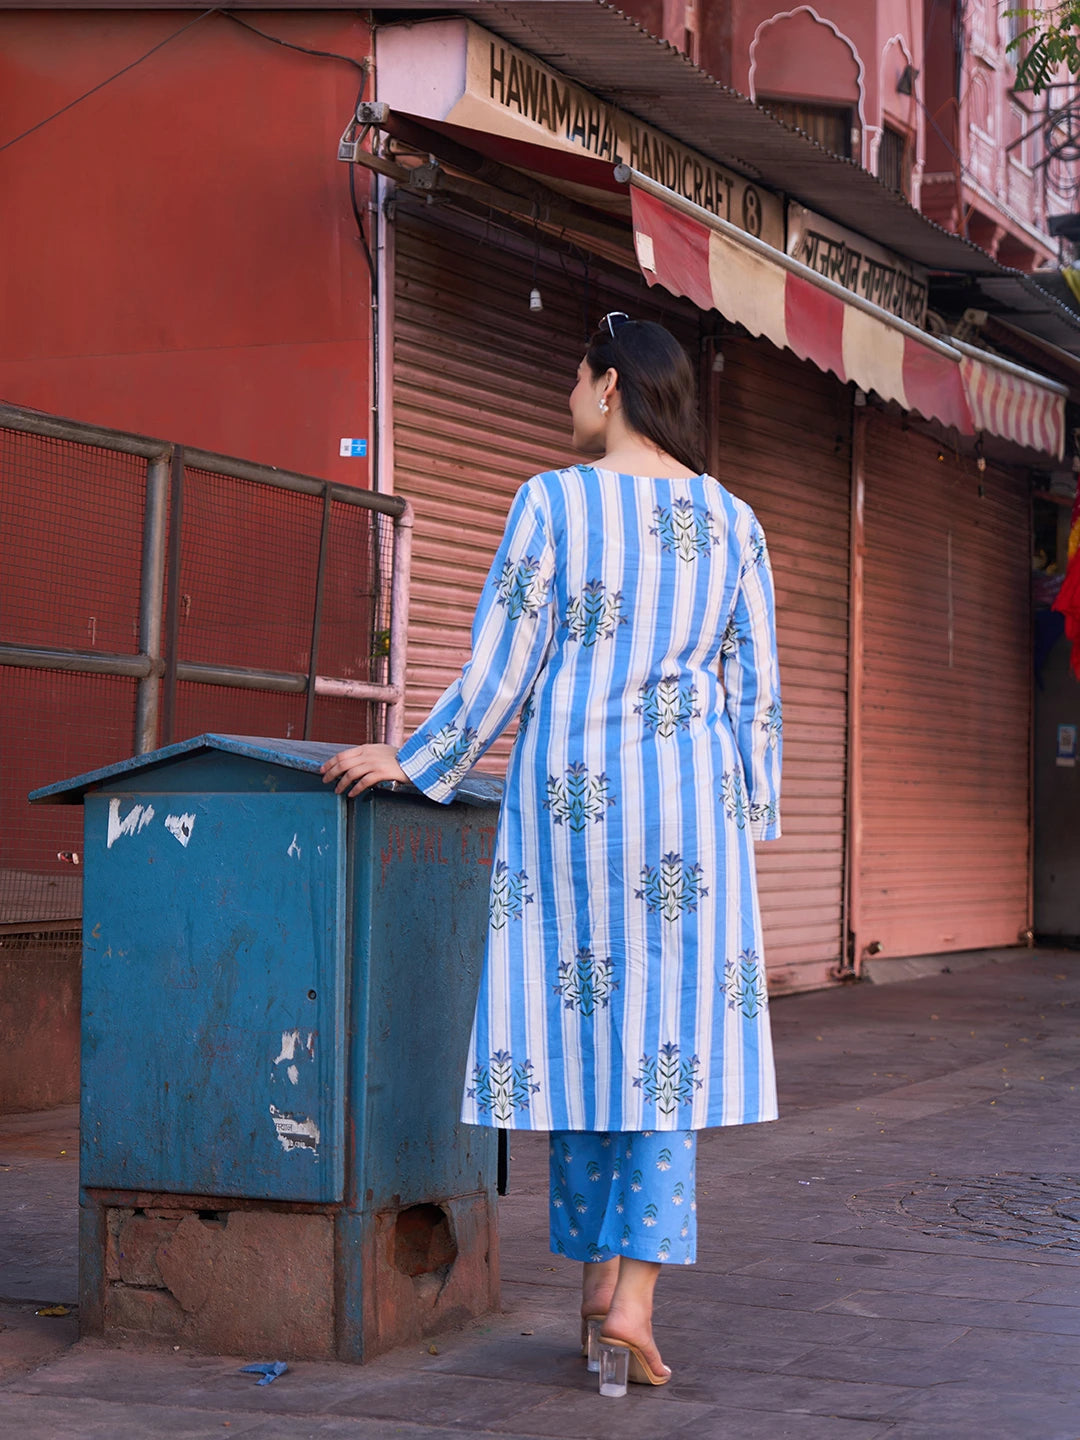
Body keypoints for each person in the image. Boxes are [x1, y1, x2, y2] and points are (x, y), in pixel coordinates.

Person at [321, 313, 782, 1389]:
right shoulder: (734, 521)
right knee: (666, 1052)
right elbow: (754, 690)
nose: (570, 398)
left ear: (611, 385)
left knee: (577, 1031)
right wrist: (749, 816)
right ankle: (631, 1302)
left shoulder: (553, 503)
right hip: (689, 813)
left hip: (573, 805)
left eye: (576, 379)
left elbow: (504, 662)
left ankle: (592, 1292)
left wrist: (418, 759)